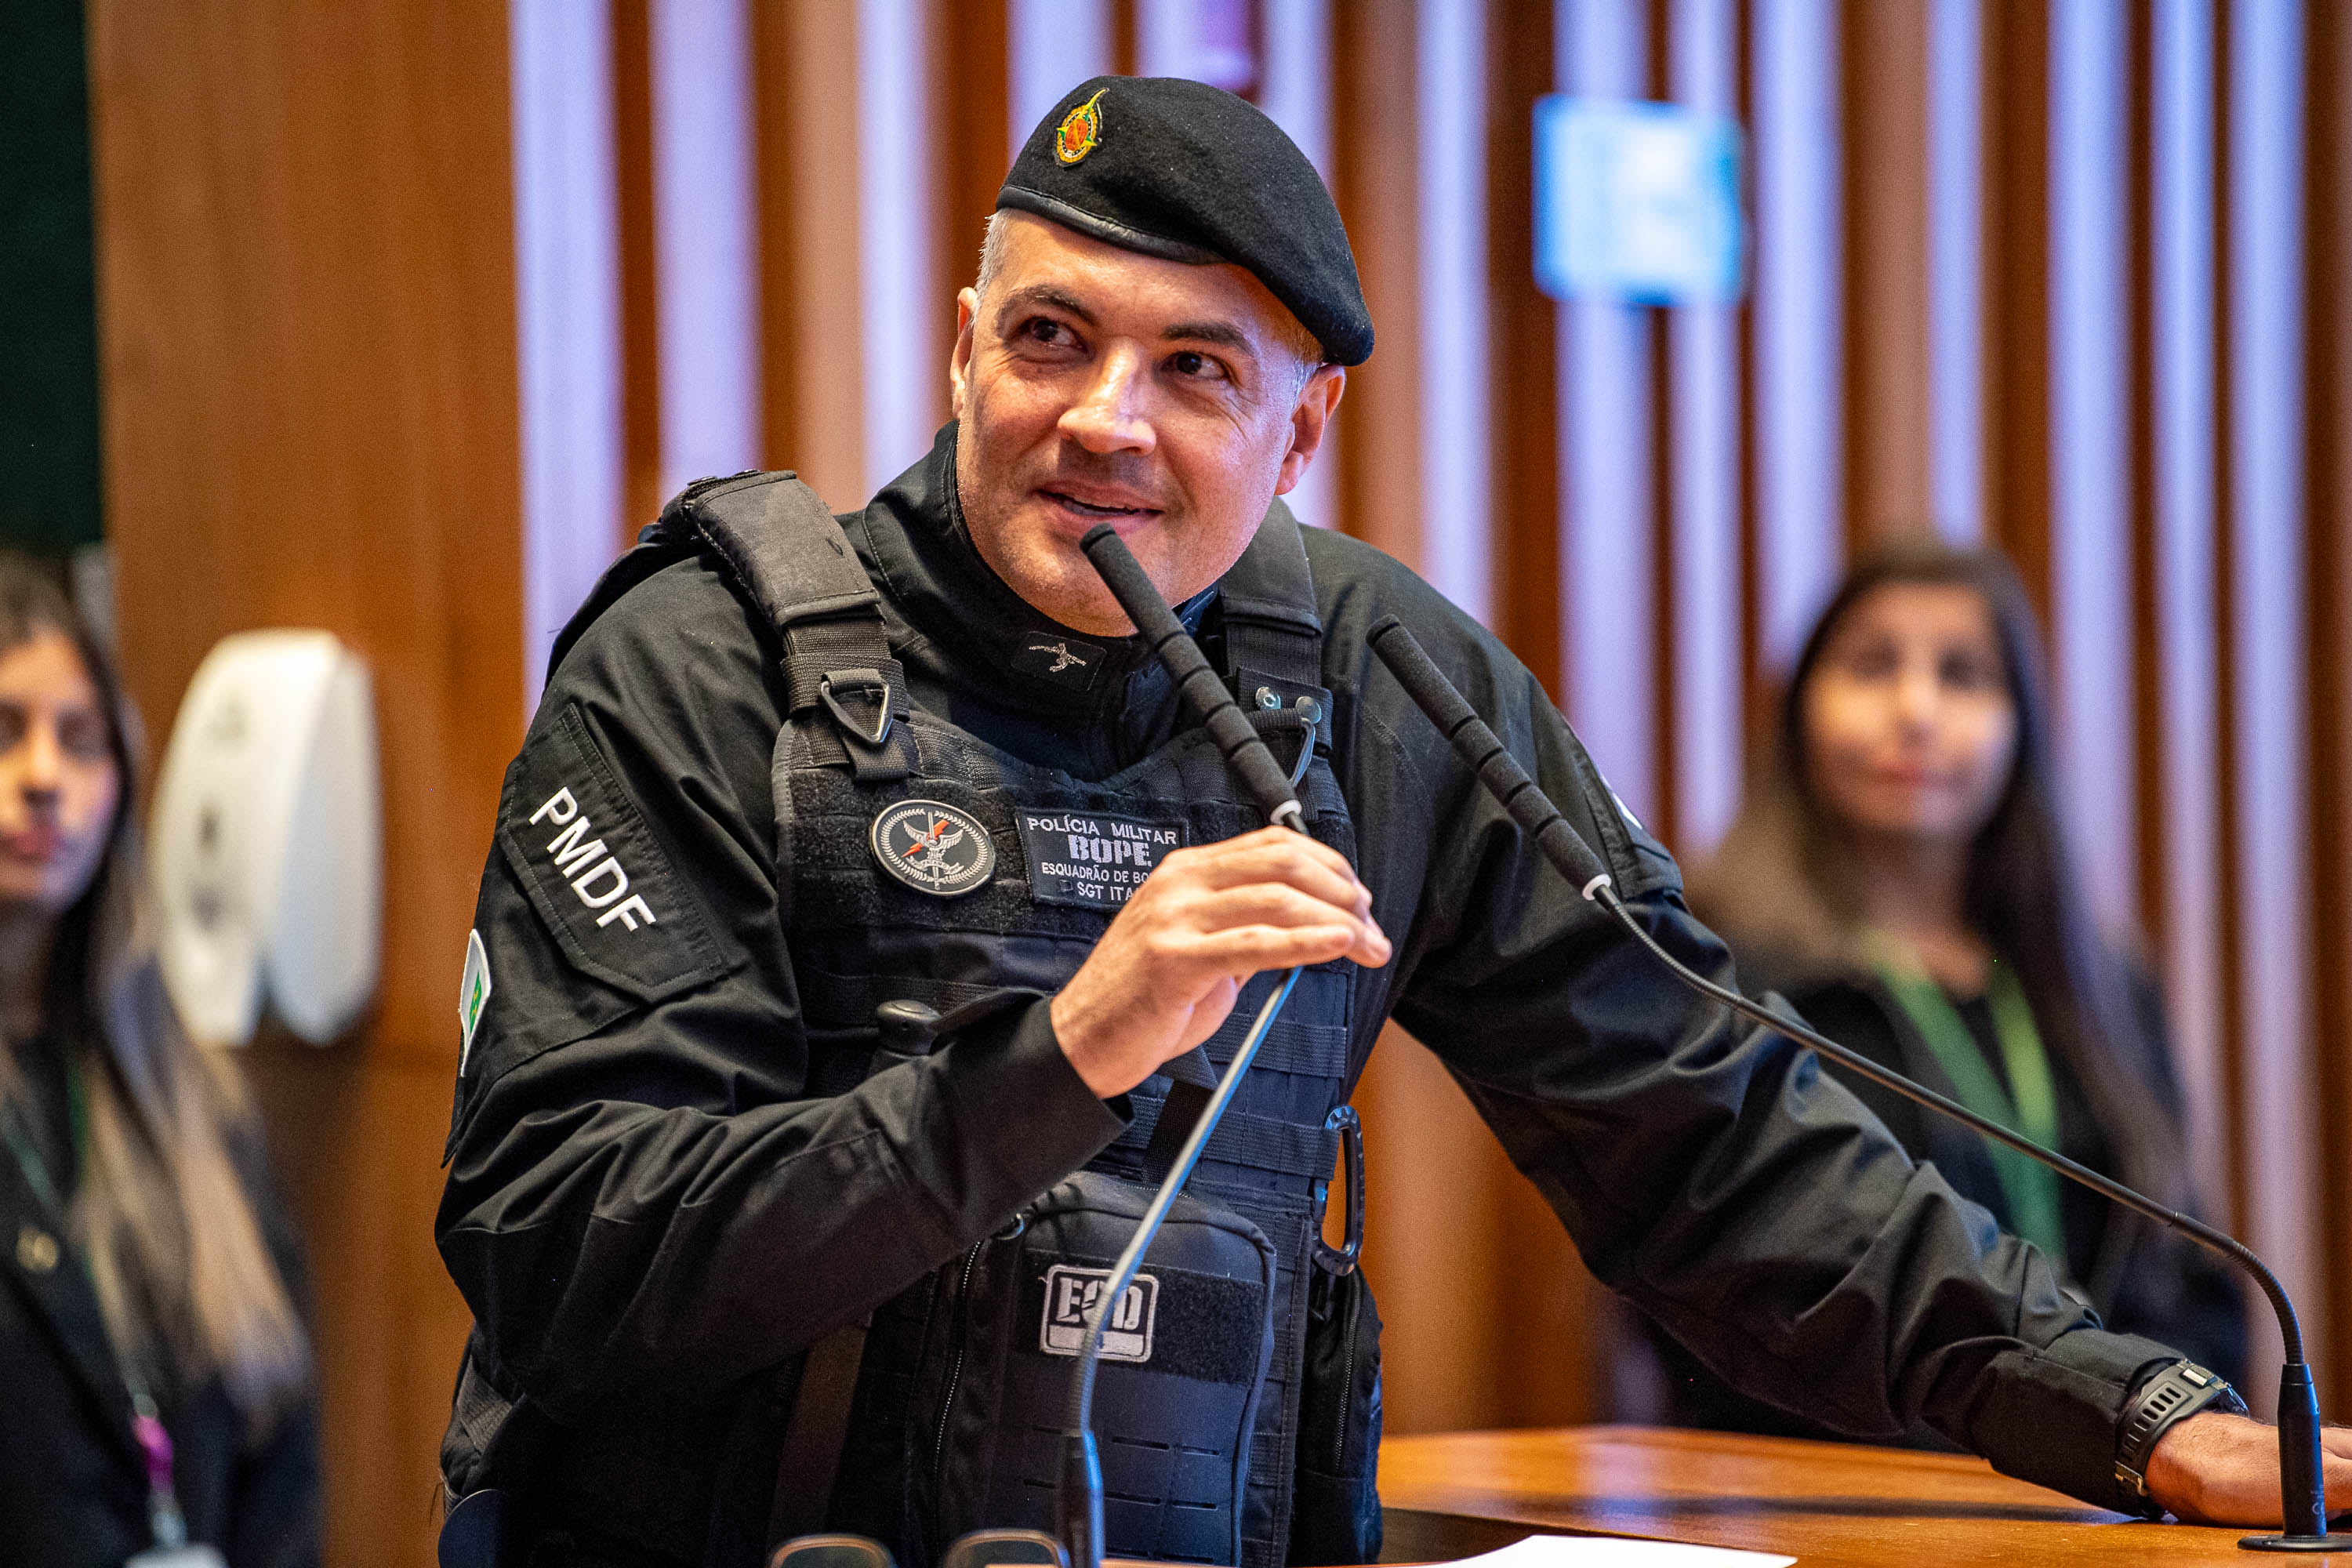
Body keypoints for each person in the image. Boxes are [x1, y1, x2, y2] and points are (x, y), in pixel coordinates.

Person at [435, 75, 2343, 1568]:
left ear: (1302, 428)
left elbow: (1713, 1135)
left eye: (1195, 369)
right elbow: (561, 1244)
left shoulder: (1381, 680)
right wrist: (1060, 1057)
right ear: (961, 346)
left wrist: (2132, 1407)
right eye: (1050, 337)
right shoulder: (705, 660)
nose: (1104, 420)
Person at [1639, 537, 2248, 1443]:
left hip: (2112, 1476)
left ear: (2021, 726)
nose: (1916, 710)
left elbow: (2188, 1278)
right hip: (1839, 1477)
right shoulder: (1724, 966)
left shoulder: (2101, 984)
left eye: (1963, 674)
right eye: (1871, 666)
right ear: (1801, 710)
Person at [0, 556, 319, 1567]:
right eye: (5, 730)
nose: (43, 775)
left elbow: (282, 1460)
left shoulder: (194, 1098)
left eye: (80, 739)